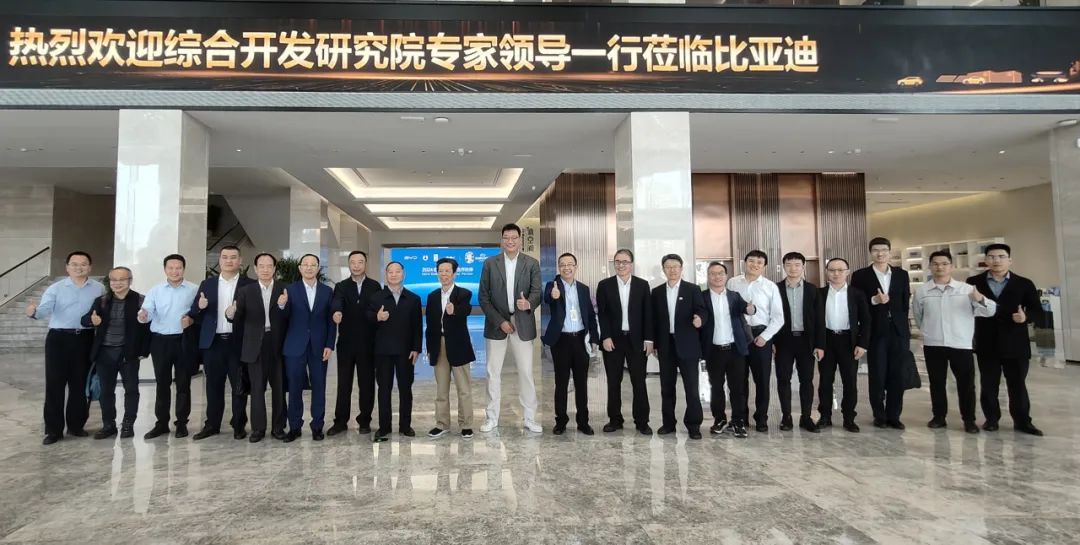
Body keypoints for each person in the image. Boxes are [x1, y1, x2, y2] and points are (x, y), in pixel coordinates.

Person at [27, 251, 105, 445]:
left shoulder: (99, 288)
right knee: (55, 385)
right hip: (58, 339)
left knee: (80, 385)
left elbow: (103, 311)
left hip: (85, 339)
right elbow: (44, 309)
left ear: (90, 267)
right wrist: (34, 312)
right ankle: (53, 430)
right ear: (67, 267)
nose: (79, 267)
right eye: (74, 264)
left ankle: (76, 426)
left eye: (83, 264)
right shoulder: (56, 288)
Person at [913, 250, 996, 434]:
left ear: (951, 266)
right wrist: (929, 330)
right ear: (930, 266)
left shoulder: (966, 290)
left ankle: (969, 420)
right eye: (935, 264)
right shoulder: (922, 292)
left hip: (961, 344)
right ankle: (938, 417)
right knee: (936, 383)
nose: (940, 267)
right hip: (933, 344)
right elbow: (919, 316)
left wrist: (980, 299)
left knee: (966, 384)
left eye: (944, 263)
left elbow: (989, 311)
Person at [966, 243, 1043, 436]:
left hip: (1015, 343)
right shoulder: (973, 282)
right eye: (992, 257)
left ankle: (1023, 421)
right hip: (986, 342)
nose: (996, 260)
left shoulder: (1024, 283)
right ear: (986, 260)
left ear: (1010, 260)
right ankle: (991, 420)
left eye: (1001, 256)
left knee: (1017, 384)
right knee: (988, 384)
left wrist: (1026, 317)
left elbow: (1037, 311)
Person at [477, 223, 543, 433]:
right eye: (506, 237)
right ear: (502, 240)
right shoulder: (490, 264)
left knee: (526, 372)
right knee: (492, 372)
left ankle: (530, 418)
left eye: (514, 237)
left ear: (520, 240)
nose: (510, 241)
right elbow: (483, 297)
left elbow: (537, 292)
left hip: (522, 322)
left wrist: (529, 303)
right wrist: (501, 322)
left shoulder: (531, 263)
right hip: (497, 324)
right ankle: (491, 418)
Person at [190, 246, 254, 440]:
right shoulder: (207, 284)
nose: (228, 261)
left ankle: (239, 425)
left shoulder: (249, 284)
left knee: (239, 386)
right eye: (225, 257)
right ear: (220, 260)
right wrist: (199, 307)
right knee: (213, 386)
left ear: (240, 261)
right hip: (214, 343)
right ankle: (212, 425)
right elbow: (194, 313)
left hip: (238, 343)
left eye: (233, 257)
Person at [81, 266, 149, 440]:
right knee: (106, 391)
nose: (117, 283)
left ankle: (128, 424)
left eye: (122, 279)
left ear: (130, 281)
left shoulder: (141, 301)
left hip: (128, 354)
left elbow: (148, 329)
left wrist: (143, 351)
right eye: (114, 280)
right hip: (105, 353)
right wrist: (92, 320)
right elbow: (85, 319)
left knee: (131, 390)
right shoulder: (102, 301)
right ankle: (108, 425)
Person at [226, 252, 288, 443]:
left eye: (269, 266)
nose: (265, 269)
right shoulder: (246, 290)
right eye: (261, 266)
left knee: (279, 389)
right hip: (254, 345)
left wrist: (282, 306)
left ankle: (278, 427)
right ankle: (258, 429)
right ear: (255, 269)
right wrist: (230, 313)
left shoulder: (284, 289)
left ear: (275, 269)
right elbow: (238, 317)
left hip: (277, 344)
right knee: (257, 389)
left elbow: (291, 317)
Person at [851, 237, 911, 429]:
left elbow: (904, 302)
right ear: (870, 252)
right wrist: (874, 301)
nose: (880, 253)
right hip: (876, 331)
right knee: (877, 374)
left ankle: (894, 415)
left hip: (899, 331)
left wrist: (903, 326)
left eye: (884, 250)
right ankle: (880, 415)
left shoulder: (901, 274)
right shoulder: (861, 275)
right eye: (876, 250)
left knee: (897, 374)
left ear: (889, 252)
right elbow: (856, 304)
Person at [139, 253, 199, 440]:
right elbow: (147, 312)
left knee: (183, 384)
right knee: (162, 383)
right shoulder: (155, 291)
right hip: (160, 342)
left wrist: (191, 320)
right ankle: (161, 423)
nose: (175, 271)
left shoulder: (194, 289)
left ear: (184, 269)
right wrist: (143, 316)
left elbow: (199, 313)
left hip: (183, 340)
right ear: (165, 269)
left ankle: (181, 423)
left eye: (178, 268)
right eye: (171, 268)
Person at [595, 248, 654, 435]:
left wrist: (649, 339)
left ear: (631, 264)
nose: (621, 265)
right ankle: (615, 420)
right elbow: (602, 314)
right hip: (613, 341)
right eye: (617, 262)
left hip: (637, 341)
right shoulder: (604, 285)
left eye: (625, 262)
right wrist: (605, 336)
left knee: (639, 382)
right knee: (614, 382)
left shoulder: (642, 285)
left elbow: (648, 314)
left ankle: (642, 421)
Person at [542, 252, 600, 435]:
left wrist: (594, 338)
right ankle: (561, 421)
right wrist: (554, 295)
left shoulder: (583, 288)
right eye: (563, 265)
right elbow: (547, 298)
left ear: (576, 267)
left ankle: (583, 422)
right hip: (561, 341)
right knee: (561, 383)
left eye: (570, 264)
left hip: (580, 339)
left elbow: (590, 315)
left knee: (582, 383)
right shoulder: (552, 285)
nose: (566, 268)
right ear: (559, 267)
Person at [279, 253, 336, 442]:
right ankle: (294, 427)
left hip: (319, 346)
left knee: (319, 386)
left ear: (318, 268)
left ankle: (317, 426)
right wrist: (281, 306)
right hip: (294, 346)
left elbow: (330, 321)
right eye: (306, 264)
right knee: (294, 387)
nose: (309, 268)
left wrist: (329, 344)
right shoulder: (289, 290)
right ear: (300, 268)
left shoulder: (327, 291)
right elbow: (283, 319)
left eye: (313, 265)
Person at [650, 254, 707, 440]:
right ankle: (668, 424)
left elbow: (702, 310)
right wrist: (654, 343)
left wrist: (700, 319)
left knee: (691, 387)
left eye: (676, 266)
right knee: (667, 387)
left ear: (682, 268)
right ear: (663, 270)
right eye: (668, 267)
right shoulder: (657, 292)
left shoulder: (692, 289)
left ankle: (694, 425)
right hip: (666, 345)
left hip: (688, 344)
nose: (672, 270)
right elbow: (654, 320)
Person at [727, 250, 784, 433]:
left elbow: (778, 317)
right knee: (738, 380)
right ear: (745, 262)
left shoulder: (770, 286)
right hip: (738, 336)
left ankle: (761, 418)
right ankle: (740, 418)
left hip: (761, 336)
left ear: (764, 266)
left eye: (759, 262)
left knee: (762, 381)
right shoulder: (733, 283)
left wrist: (765, 337)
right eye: (751, 261)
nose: (755, 265)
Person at [328, 250, 381, 437]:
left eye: (360, 262)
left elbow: (376, 309)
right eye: (353, 262)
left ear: (365, 264)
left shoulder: (374, 286)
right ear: (349, 264)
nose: (356, 266)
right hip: (346, 343)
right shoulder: (341, 286)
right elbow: (337, 302)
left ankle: (364, 421)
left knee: (366, 384)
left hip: (368, 343)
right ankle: (340, 422)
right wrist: (336, 312)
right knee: (344, 384)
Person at [368, 261, 423, 443]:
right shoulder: (376, 298)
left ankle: (405, 426)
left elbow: (417, 326)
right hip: (382, 351)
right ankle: (384, 427)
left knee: (405, 389)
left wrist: (416, 348)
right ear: (386, 275)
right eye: (390, 272)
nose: (393, 275)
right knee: (384, 389)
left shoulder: (413, 299)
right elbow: (366, 318)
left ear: (403, 274)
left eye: (397, 271)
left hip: (406, 351)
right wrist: (377, 317)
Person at [816, 258, 871, 433]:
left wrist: (862, 344)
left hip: (849, 341)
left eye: (840, 270)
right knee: (825, 381)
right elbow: (814, 322)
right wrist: (817, 345)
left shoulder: (857, 294)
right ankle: (825, 416)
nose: (836, 273)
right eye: (832, 270)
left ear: (847, 272)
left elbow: (866, 321)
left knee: (850, 382)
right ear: (827, 272)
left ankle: (849, 418)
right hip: (826, 341)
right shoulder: (819, 294)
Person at [699, 262, 753, 439]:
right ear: (708, 276)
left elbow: (747, 308)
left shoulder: (734, 296)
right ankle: (719, 419)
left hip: (735, 349)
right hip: (714, 350)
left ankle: (738, 421)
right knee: (716, 387)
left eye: (720, 273)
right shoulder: (702, 297)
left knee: (737, 388)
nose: (717, 277)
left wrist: (751, 309)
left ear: (726, 276)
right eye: (713, 274)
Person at [425, 258, 476, 439]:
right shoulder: (432, 296)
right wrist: (429, 348)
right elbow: (430, 325)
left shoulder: (464, 293)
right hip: (438, 345)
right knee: (441, 390)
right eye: (441, 271)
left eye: (447, 271)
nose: (444, 274)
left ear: (454, 273)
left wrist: (454, 310)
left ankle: (466, 425)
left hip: (459, 345)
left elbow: (466, 310)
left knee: (464, 389)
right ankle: (442, 424)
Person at [774, 252, 823, 433]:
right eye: (789, 264)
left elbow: (819, 319)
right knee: (783, 379)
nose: (793, 268)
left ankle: (806, 417)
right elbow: (771, 316)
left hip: (806, 341)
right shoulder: (775, 289)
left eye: (797, 265)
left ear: (803, 267)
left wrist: (820, 344)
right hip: (783, 341)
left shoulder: (812, 290)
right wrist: (772, 341)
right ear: (783, 267)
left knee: (807, 380)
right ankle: (786, 417)